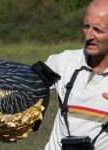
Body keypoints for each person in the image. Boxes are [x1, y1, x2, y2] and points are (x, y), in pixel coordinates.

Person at [45, 0, 108, 149]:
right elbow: (22, 85)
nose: (88, 36)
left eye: (98, 30)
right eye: (86, 26)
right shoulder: (63, 61)